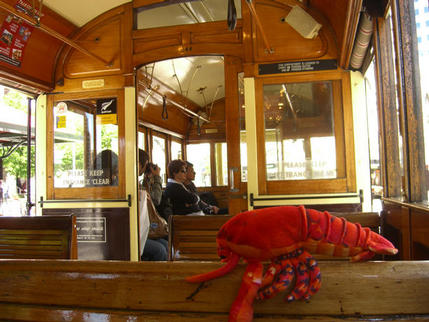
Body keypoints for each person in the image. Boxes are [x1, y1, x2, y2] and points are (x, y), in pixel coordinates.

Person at [138, 149, 168, 261]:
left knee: (165, 244)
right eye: (146, 164)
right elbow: (156, 200)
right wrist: (156, 178)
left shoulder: (141, 182)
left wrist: (148, 179)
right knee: (160, 249)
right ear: (139, 164)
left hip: (144, 228)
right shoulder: (131, 183)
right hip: (137, 232)